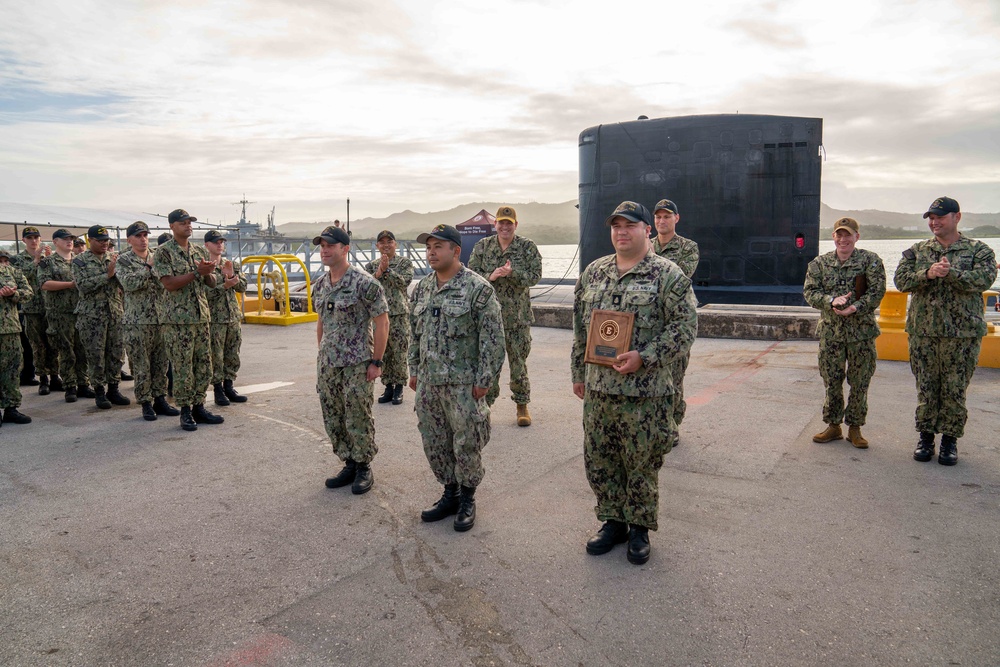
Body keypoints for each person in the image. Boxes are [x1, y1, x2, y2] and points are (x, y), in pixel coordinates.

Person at [571, 201, 697, 565]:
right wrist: (578, 374)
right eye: (615, 226)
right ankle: (613, 521)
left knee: (641, 461)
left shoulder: (668, 274)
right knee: (600, 458)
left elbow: (685, 327)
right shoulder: (593, 273)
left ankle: (639, 527)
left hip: (646, 393)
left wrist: (647, 355)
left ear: (646, 230)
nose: (621, 232)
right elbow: (581, 329)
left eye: (629, 225)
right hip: (599, 391)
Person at [409, 225, 505, 531]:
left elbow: (493, 339)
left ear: (456, 251)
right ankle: (449, 493)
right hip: (429, 383)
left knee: (466, 442)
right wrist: (413, 370)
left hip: (464, 384)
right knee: (434, 441)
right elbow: (414, 334)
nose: (432, 252)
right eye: (429, 247)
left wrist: (485, 380)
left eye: (439, 246)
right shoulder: (422, 288)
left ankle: (467, 498)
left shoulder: (478, 289)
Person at [894, 196, 998, 465]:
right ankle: (926, 438)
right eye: (931, 217)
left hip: (962, 334)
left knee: (955, 388)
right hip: (923, 331)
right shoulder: (917, 251)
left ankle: (950, 441)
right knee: (926, 386)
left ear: (957, 217)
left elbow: (984, 279)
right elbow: (901, 281)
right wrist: (927, 273)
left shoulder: (979, 251)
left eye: (939, 217)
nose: (934, 222)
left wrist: (950, 273)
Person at [313, 226, 389, 495]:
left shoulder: (364, 282)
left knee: (358, 415)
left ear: (345, 249)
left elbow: (382, 323)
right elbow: (321, 322)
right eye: (322, 245)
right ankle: (348, 462)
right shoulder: (321, 285)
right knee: (333, 415)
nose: (324, 250)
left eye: (330, 245)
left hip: (358, 362)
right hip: (329, 363)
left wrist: (376, 362)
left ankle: (364, 466)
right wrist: (321, 354)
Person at [803, 217, 886, 448]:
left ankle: (855, 428)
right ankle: (833, 426)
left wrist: (855, 307)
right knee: (832, 381)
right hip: (831, 334)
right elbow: (810, 292)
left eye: (848, 235)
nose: (843, 239)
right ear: (833, 237)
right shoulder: (819, 264)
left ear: (857, 237)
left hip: (862, 334)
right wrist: (830, 301)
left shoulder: (870, 261)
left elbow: (877, 292)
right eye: (839, 235)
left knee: (860, 382)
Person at [467, 206, 542, 426]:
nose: (505, 227)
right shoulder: (483, 246)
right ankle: (485, 407)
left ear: (515, 225)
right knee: (488, 365)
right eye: (502, 223)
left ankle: (522, 406)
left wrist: (513, 273)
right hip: (489, 319)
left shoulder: (526, 247)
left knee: (518, 365)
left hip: (517, 319)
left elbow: (535, 276)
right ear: (495, 225)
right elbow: (471, 276)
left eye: (509, 223)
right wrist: (491, 276)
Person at [153, 209, 223, 431]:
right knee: (183, 366)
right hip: (177, 320)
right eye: (183, 223)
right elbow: (169, 284)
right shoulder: (163, 252)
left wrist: (207, 272)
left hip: (201, 317)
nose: (188, 226)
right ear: (172, 226)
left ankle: (199, 406)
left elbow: (211, 283)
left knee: (204, 364)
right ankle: (185, 411)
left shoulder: (198, 250)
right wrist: (196, 272)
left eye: (190, 222)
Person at [117, 221, 178, 420]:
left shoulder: (158, 255)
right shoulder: (124, 260)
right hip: (138, 322)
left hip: (161, 319)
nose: (143, 239)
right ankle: (145, 402)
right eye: (138, 236)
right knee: (141, 365)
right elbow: (129, 283)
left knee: (161, 363)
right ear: (129, 240)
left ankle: (160, 399)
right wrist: (148, 267)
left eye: (145, 235)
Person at [650, 199, 700, 434]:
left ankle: (673, 425)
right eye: (658, 217)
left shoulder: (688, 248)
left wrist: (651, 259)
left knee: (675, 378)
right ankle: (655, 424)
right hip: (650, 322)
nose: (662, 221)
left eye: (667, 216)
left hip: (675, 322)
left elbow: (679, 277)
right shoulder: (646, 245)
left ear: (676, 219)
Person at [72, 225, 130, 410]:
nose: (105, 244)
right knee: (95, 355)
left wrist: (118, 272)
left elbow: (124, 283)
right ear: (90, 241)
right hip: (91, 316)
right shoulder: (80, 261)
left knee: (116, 353)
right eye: (100, 241)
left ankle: (113, 388)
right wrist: (107, 275)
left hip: (114, 313)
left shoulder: (113, 259)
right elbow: (82, 286)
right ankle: (99, 391)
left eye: (107, 241)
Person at [39, 229, 93, 403]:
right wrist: (70, 284)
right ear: (55, 242)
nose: (69, 242)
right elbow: (44, 284)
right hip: (60, 313)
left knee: (82, 349)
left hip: (81, 311)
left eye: (71, 239)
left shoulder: (80, 261)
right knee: (66, 350)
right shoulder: (48, 262)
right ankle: (70, 386)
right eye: (65, 239)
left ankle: (83, 383)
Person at [364, 230, 414, 406]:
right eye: (382, 242)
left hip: (399, 314)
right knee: (383, 351)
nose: (386, 245)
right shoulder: (371, 266)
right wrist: (379, 272)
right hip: (378, 316)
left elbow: (404, 282)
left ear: (396, 244)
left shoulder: (404, 263)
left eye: (389, 242)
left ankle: (399, 386)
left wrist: (388, 271)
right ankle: (388, 386)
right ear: (377, 246)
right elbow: (366, 287)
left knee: (399, 351)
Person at [11, 227, 60, 395]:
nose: (33, 240)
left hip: (51, 306)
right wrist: (36, 260)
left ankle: (55, 376)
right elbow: (19, 278)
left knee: (53, 343)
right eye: (29, 237)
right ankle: (43, 378)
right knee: (37, 345)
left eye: (36, 237)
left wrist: (49, 258)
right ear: (23, 240)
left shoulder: (50, 258)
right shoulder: (17, 259)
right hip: (32, 308)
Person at [204, 230, 249, 406]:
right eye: (216, 242)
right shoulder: (205, 268)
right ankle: (218, 389)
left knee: (232, 353)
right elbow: (205, 294)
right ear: (207, 245)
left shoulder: (231, 264)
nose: (220, 245)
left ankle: (229, 386)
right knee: (216, 355)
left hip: (232, 317)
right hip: (215, 319)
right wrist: (224, 285)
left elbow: (243, 286)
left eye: (222, 242)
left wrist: (231, 277)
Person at [0, 249, 34, 425]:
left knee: (13, 369)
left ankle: (11, 408)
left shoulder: (11, 271)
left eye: (4, 259)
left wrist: (13, 294)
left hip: (10, 328)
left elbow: (28, 292)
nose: (3, 262)